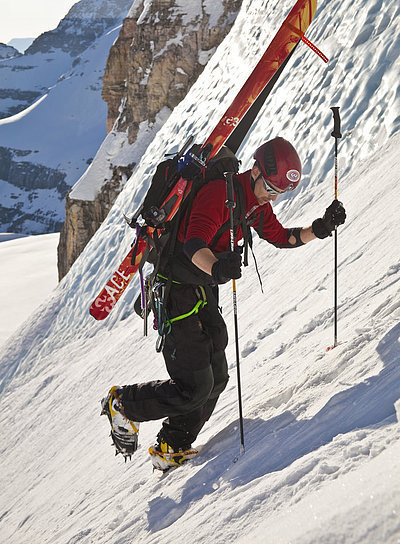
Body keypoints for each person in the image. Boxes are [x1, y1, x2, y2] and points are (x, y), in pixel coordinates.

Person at [102, 137, 346, 470]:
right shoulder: (221, 194)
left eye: (278, 193)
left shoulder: (256, 204)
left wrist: (320, 228)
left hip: (203, 292)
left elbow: (280, 237)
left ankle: (172, 445)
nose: (270, 197)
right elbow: (193, 243)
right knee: (194, 386)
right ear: (256, 170)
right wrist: (217, 267)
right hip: (178, 293)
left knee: (216, 378)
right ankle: (124, 404)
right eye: (270, 188)